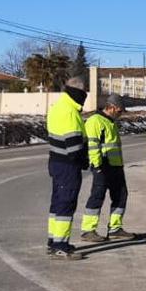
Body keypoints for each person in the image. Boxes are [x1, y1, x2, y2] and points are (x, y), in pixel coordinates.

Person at [80, 93, 136, 242]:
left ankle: (115, 228)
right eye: (119, 111)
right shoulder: (95, 121)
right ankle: (88, 230)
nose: (121, 114)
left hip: (115, 166)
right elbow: (93, 145)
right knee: (97, 196)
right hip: (103, 166)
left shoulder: (110, 121)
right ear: (111, 108)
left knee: (120, 196)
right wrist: (97, 166)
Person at [45, 76, 90, 260]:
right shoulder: (70, 112)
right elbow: (74, 146)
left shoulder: (58, 107)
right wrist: (83, 161)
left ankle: (53, 241)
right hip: (68, 165)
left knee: (57, 203)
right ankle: (60, 246)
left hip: (56, 162)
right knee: (66, 203)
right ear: (78, 93)